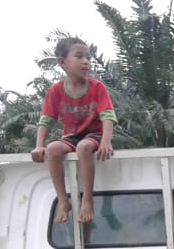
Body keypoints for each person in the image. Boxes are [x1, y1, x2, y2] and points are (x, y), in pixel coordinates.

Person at [30, 37, 117, 224]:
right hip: (71, 136)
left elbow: (108, 115)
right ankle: (63, 200)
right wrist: (39, 146)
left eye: (88, 57)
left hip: (94, 135)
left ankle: (87, 198)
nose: (86, 61)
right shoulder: (56, 90)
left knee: (84, 147)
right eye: (79, 56)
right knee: (52, 149)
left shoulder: (97, 87)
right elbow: (46, 120)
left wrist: (106, 141)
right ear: (62, 62)